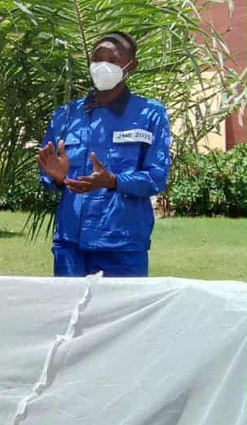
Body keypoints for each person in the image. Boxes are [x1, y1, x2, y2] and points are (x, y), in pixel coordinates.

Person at [37, 31, 171, 277]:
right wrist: (56, 178)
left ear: (132, 66)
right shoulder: (66, 115)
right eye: (97, 59)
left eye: (113, 60)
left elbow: (156, 177)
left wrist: (113, 181)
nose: (103, 66)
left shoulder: (150, 114)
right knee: (70, 304)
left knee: (124, 305)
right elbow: (47, 173)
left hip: (123, 247)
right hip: (71, 246)